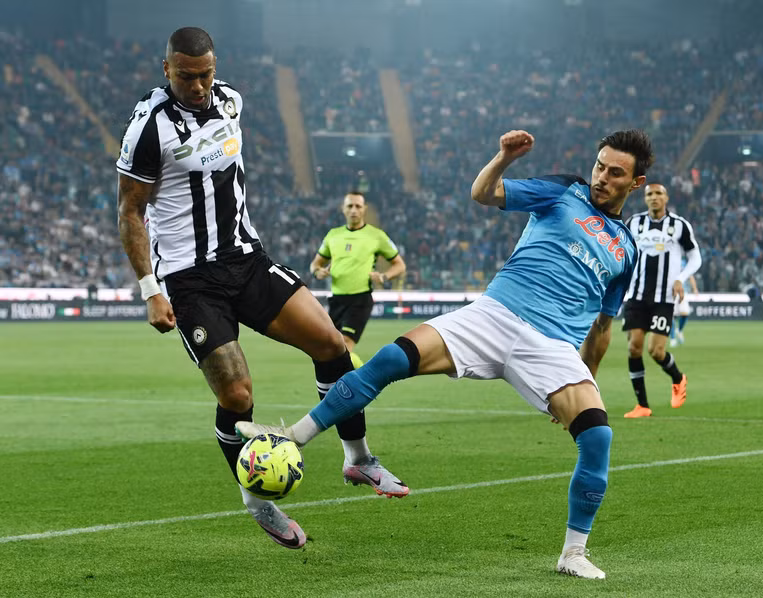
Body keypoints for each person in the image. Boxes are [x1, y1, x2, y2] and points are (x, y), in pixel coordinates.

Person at [238, 128, 654, 579]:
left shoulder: (627, 250)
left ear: (635, 183)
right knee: (391, 360)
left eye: (615, 173)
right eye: (600, 166)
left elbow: (602, 326)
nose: (602, 178)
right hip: (494, 314)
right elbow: (483, 193)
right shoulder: (564, 190)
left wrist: (583, 377)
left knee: (597, 438)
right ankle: (292, 436)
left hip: (552, 349)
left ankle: (573, 553)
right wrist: (503, 157)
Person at [116, 27, 407, 551]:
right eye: (186, 76)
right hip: (189, 279)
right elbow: (130, 211)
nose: (199, 86)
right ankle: (257, 501)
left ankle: (358, 459)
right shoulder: (149, 127)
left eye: (205, 74)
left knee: (331, 344)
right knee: (237, 393)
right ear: (166, 71)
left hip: (247, 261)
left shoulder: (231, 101)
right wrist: (149, 288)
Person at [621, 184, 701, 418]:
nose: (654, 198)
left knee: (656, 351)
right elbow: (621, 252)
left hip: (664, 298)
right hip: (636, 294)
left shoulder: (679, 225)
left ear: (666, 197)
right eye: (649, 194)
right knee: (634, 346)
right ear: (645, 199)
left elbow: (695, 257)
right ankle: (642, 406)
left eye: (658, 194)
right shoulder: (634, 223)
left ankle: (678, 378)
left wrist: (681, 278)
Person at [310, 191, 406, 368]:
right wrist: (318, 272)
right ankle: (349, 381)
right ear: (343, 209)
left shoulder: (376, 236)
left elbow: (399, 265)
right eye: (350, 206)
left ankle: (361, 379)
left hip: (360, 299)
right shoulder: (333, 235)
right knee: (329, 348)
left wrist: (384, 276)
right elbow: (315, 264)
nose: (354, 210)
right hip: (336, 299)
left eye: (358, 206)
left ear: (364, 209)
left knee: (345, 344)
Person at [670, 274, 698, 347]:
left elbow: (690, 276)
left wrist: (694, 288)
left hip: (683, 292)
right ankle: (673, 339)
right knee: (670, 315)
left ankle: (679, 330)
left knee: (685, 313)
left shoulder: (684, 263)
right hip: (671, 292)